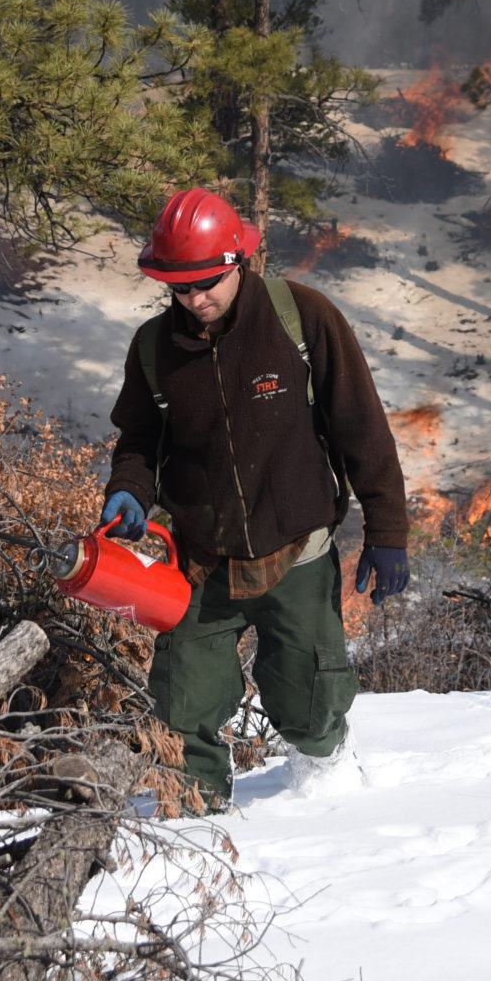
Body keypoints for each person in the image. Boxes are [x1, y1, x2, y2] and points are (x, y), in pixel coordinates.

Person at [102, 187, 412, 805]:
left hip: (297, 550)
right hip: (200, 560)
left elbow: (361, 425)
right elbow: (138, 439)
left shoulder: (301, 317)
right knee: (182, 707)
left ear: (237, 261)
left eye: (207, 283)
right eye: (180, 288)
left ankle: (329, 784)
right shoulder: (154, 348)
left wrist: (388, 531)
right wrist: (129, 488)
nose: (196, 299)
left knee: (308, 707)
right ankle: (191, 824)